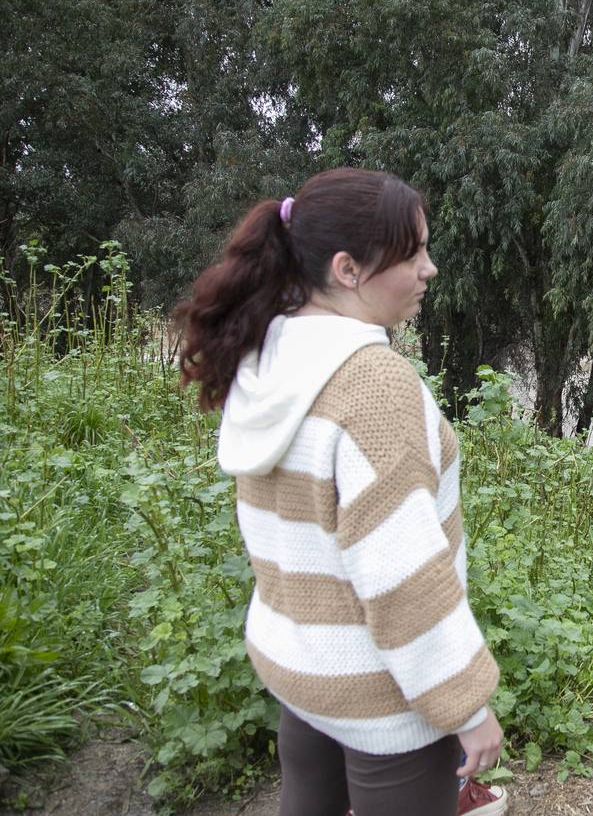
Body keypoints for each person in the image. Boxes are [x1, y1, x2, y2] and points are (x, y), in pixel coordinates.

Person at [176, 168, 508, 815]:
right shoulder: (373, 386)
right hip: (381, 695)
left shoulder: (269, 357)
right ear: (348, 269)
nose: (430, 269)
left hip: (302, 669)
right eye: (413, 253)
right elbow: (401, 574)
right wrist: (467, 708)